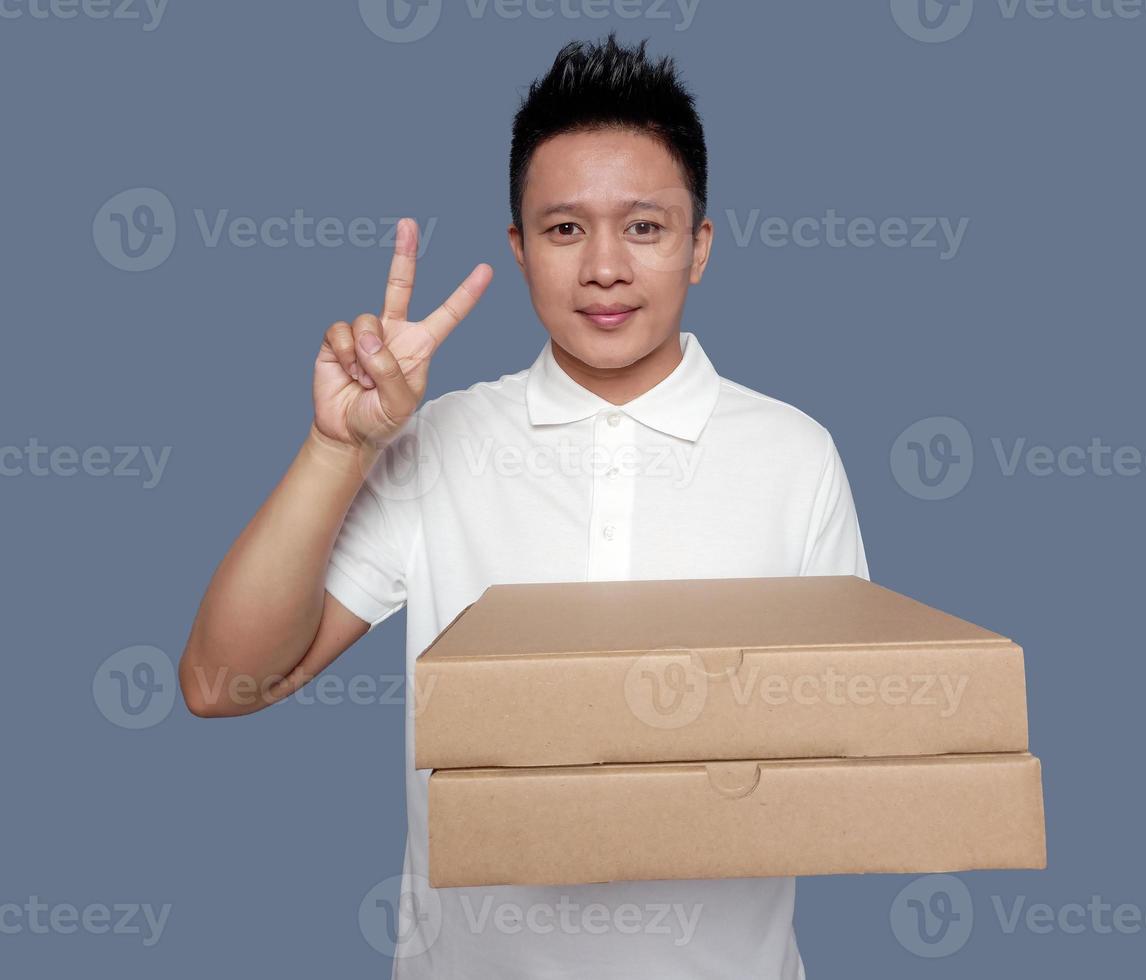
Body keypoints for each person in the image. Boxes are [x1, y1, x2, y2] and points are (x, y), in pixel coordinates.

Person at [179, 31, 868, 979]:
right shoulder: (441, 441)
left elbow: (845, 753)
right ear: (518, 248)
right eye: (563, 229)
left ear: (699, 246)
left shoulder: (794, 456)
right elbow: (221, 684)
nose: (604, 268)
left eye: (646, 227)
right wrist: (337, 446)